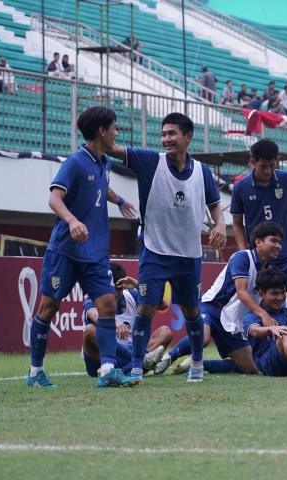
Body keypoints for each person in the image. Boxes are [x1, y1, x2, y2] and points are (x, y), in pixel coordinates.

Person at [109, 112, 227, 383]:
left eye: (172, 134)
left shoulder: (202, 171)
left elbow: (214, 205)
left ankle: (197, 363)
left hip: (189, 255)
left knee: (192, 311)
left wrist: (220, 224)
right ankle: (137, 368)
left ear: (188, 136)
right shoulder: (149, 161)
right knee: (146, 309)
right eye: (163, 134)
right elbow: (112, 148)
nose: (166, 139)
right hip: (155, 251)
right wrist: (99, 130)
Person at [26, 106, 139, 388]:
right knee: (49, 307)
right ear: (102, 130)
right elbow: (54, 199)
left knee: (107, 306)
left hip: (96, 252)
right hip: (65, 249)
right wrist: (72, 220)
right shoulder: (75, 162)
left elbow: (103, 188)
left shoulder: (104, 162)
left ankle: (108, 370)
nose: (117, 132)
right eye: (114, 127)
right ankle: (35, 371)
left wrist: (121, 201)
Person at [154, 221, 284, 376]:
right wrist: (264, 315)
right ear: (258, 242)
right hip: (212, 307)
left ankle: (199, 365)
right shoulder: (242, 257)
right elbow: (241, 293)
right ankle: (169, 357)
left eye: (280, 243)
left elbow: (261, 300)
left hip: (232, 319)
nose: (278, 246)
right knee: (203, 338)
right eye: (274, 241)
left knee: (251, 369)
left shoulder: (268, 271)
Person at [230, 139, 287, 310]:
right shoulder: (241, 188)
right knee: (264, 304)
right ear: (253, 162)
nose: (268, 170)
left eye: (272, 165)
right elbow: (237, 223)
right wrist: (244, 253)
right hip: (260, 256)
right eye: (263, 166)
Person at [82, 262, 171, 378]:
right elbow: (94, 316)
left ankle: (130, 367)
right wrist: (113, 324)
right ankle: (143, 362)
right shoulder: (94, 297)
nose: (114, 293)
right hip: (100, 358)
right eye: (111, 288)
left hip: (131, 351)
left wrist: (138, 286)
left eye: (118, 288)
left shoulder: (131, 295)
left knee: (165, 332)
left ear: (123, 285)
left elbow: (163, 305)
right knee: (90, 331)